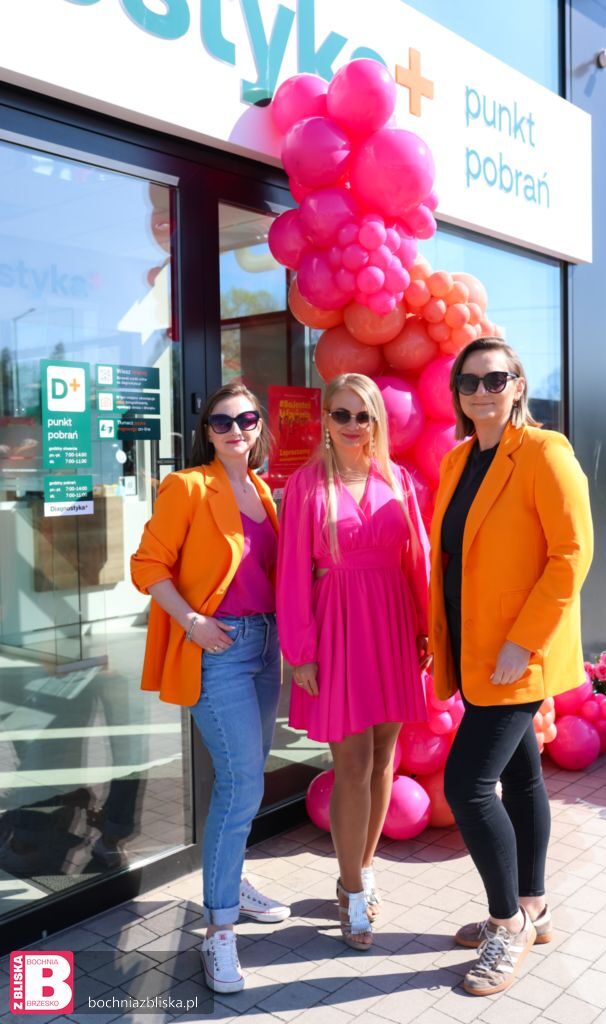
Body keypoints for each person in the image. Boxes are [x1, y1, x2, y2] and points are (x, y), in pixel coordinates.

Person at [429, 338, 593, 997]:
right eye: (468, 381)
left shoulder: (545, 453)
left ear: (517, 385)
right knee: (522, 779)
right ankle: (534, 907)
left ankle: (506, 924)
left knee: (467, 786)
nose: (480, 391)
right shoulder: (458, 459)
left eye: (494, 379)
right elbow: (452, 560)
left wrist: (522, 642)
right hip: (473, 651)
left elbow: (571, 554)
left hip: (515, 655)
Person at [130, 382, 289, 995]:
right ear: (207, 431)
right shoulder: (188, 486)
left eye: (246, 419)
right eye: (221, 421)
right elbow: (148, 565)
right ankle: (219, 930)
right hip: (218, 648)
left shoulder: (265, 493)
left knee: (248, 780)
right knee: (241, 782)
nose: (235, 429)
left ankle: (232, 882)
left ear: (259, 426)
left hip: (266, 645)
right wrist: (192, 621)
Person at [277, 373, 430, 951]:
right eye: (341, 414)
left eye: (362, 416)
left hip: (393, 625)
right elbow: (292, 573)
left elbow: (418, 559)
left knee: (385, 755)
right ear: (325, 420)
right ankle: (352, 891)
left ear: (376, 422)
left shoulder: (399, 479)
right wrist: (301, 652)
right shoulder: (306, 485)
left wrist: (426, 628)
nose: (352, 426)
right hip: (338, 628)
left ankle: (362, 871)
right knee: (353, 763)